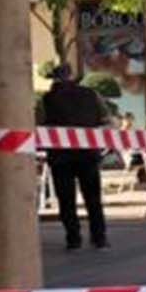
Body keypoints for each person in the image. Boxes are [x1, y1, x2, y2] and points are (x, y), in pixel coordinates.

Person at [38, 64, 110, 250]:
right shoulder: (91, 95)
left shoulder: (47, 99)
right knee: (93, 198)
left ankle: (73, 238)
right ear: (71, 76)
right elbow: (105, 120)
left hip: (60, 156)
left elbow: (38, 124)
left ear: (54, 79)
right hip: (88, 153)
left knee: (66, 199)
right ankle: (99, 237)